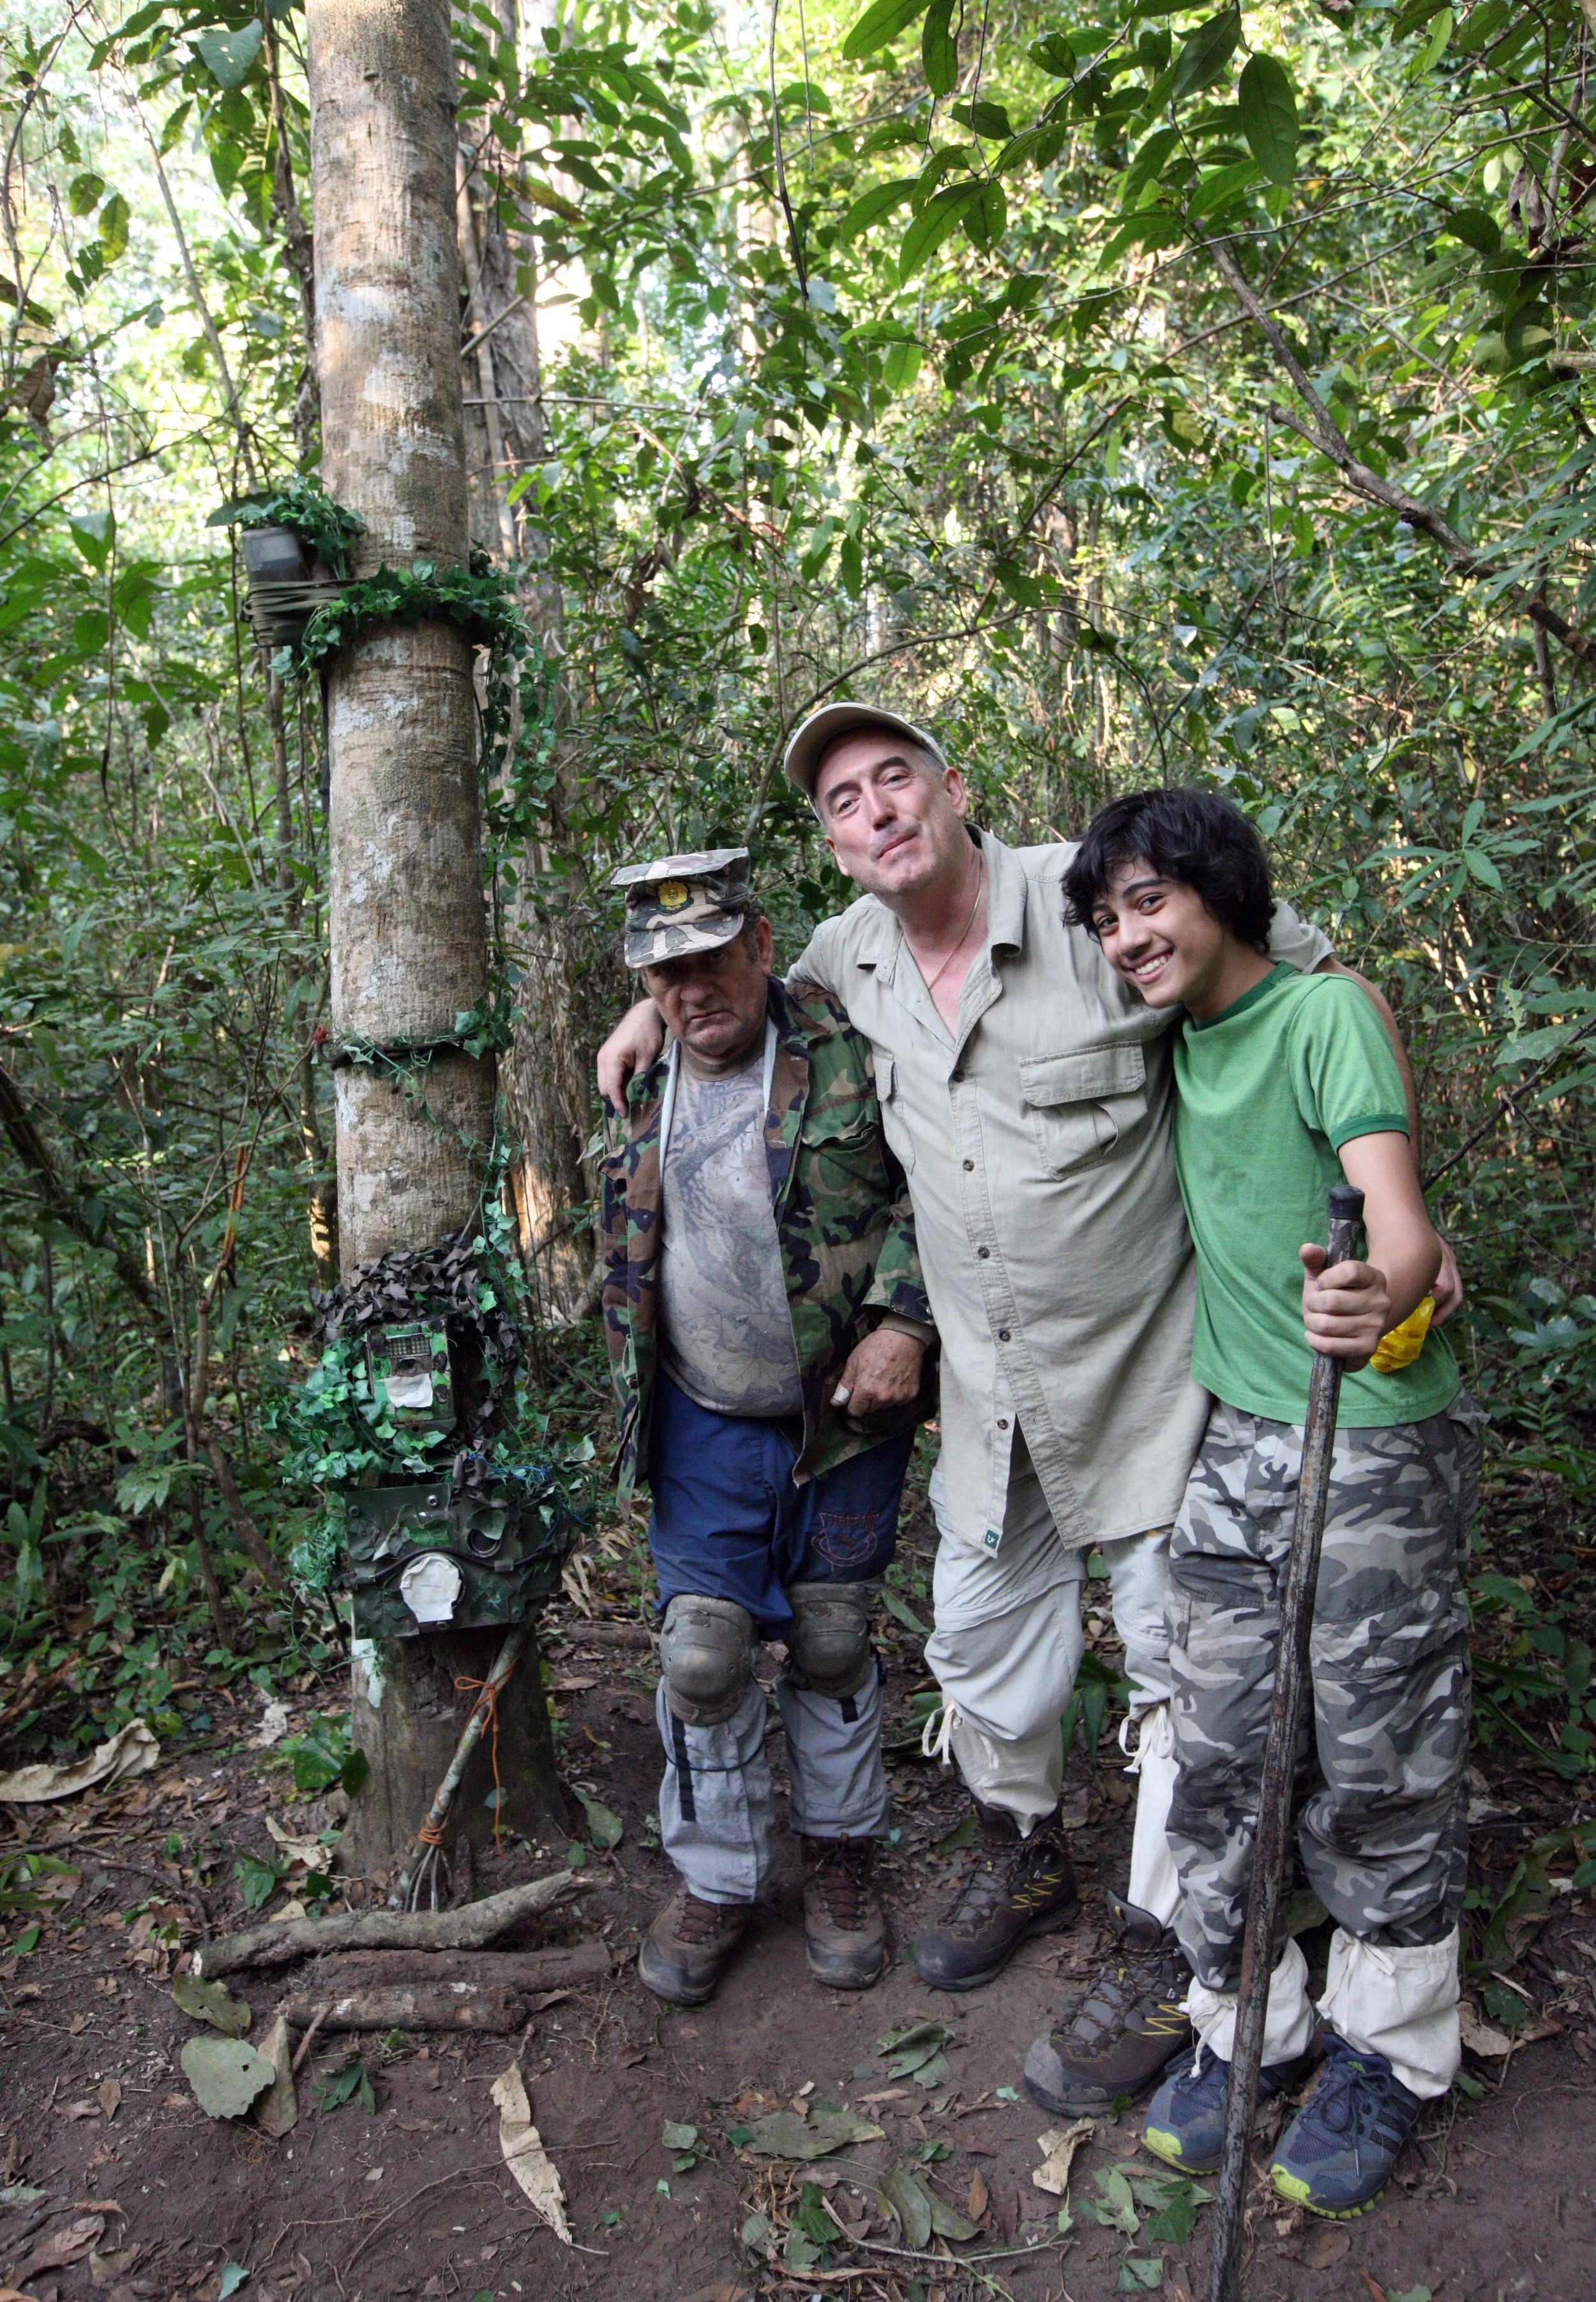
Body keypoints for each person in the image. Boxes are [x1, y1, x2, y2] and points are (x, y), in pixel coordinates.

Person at [599, 706, 1458, 2112]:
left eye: (893, 780)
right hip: (989, 1398)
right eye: (841, 802)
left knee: (1183, 1680)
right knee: (979, 1649)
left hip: (1146, 1381)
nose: (874, 812)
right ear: (830, 847)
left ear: (952, 789)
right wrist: (647, 1004)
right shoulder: (842, 953)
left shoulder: (1094, 907)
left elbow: (1305, 986)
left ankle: (1165, 1939)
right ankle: (1022, 1844)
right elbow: (722, 983)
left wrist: (1400, 1227)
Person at [1063, 786, 1479, 2220]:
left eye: (1147, 902)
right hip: (1239, 1440)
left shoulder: (1321, 1016)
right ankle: (1251, 2022)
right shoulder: (1172, 1042)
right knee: (1221, 1745)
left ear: (1219, 890)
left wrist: (1382, 1293)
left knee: (1377, 1758)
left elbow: (1401, 1217)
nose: (1126, 936)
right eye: (1105, 918)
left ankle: (1390, 2052)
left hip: (1367, 1436)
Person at [600, 846, 936, 2005]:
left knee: (835, 1637)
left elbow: (940, 1186)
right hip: (701, 1415)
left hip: (846, 1414)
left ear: (758, 939)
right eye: (660, 975)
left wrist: (906, 1319)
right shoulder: (642, 1072)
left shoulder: (853, 1042)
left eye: (708, 960)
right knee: (702, 1656)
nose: (690, 992)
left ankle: (843, 1859)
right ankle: (723, 1877)